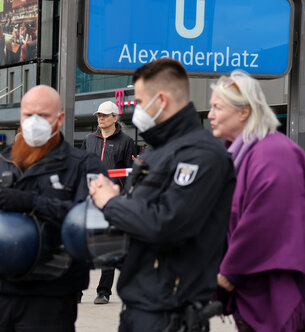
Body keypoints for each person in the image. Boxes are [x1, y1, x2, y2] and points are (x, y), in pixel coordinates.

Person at [89, 58, 236, 331]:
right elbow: (139, 223)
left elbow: (166, 224)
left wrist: (111, 203)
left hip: (171, 311)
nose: (137, 110)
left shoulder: (202, 155)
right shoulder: (156, 151)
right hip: (138, 304)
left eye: (142, 101)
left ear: (162, 100)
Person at [0, 85, 105, 331]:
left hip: (51, 295)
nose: (34, 121)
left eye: (43, 115)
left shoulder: (83, 165)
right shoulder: (0, 164)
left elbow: (94, 228)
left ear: (59, 119)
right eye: (28, 115)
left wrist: (36, 204)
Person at [208, 70, 305, 332]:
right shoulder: (246, 152)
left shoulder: (273, 154)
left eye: (217, 107)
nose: (210, 115)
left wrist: (228, 274)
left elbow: (264, 223)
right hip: (256, 290)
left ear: (244, 111)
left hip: (275, 292)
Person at [81, 101, 137, 305]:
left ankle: (103, 291)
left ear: (115, 117)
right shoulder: (89, 139)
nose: (100, 118)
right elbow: (81, 167)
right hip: (90, 198)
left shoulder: (126, 141)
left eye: (105, 115)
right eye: (98, 115)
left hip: (114, 201)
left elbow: (131, 173)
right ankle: (77, 290)